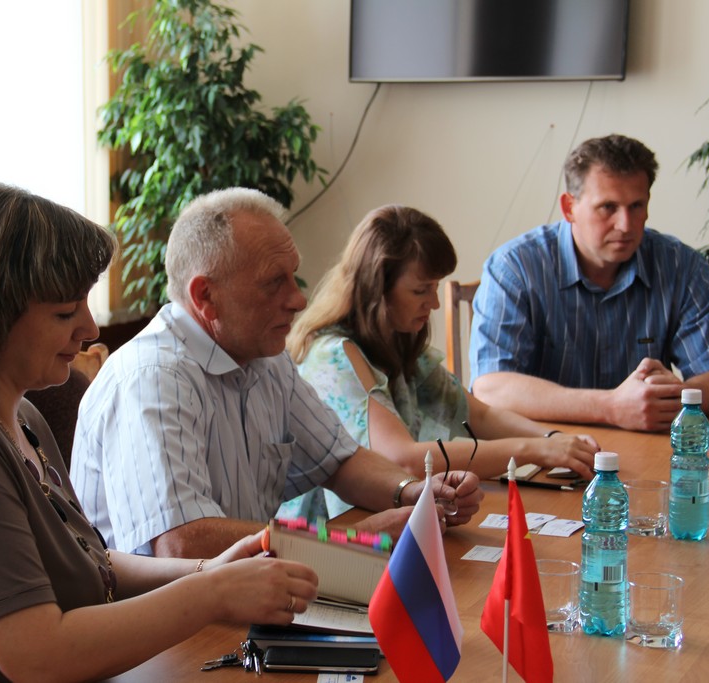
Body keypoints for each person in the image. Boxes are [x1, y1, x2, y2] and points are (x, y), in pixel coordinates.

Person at [0, 183, 318, 682]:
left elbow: (91, 561)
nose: (90, 328)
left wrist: (210, 571)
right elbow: (40, 657)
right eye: (64, 312)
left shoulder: (20, 417)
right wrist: (214, 594)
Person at [70, 188, 483, 559]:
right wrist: (349, 540)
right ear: (205, 296)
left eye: (294, 276)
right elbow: (182, 546)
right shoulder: (153, 380)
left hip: (245, 592)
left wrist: (414, 492)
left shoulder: (264, 358)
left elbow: (340, 460)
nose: (299, 300)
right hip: (169, 616)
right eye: (274, 282)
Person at [282, 205, 599, 519]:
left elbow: (481, 415)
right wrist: (536, 450)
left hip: (389, 520)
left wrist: (553, 439)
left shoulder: (397, 336)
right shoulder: (333, 355)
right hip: (333, 533)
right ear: (376, 288)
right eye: (421, 290)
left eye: (435, 287)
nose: (434, 303)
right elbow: (403, 460)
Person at [470, 134, 709, 432]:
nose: (625, 225)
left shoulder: (681, 265)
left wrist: (671, 397)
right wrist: (611, 407)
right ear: (569, 207)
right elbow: (491, 388)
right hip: (546, 447)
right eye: (608, 207)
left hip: (648, 450)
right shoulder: (515, 268)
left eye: (636, 206)